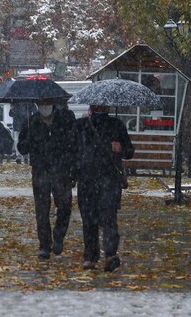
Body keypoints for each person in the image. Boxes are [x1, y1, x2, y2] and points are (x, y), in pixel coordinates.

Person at [73, 105, 134, 272]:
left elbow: (129, 151)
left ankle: (109, 255)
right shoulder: (81, 126)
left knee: (108, 218)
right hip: (87, 180)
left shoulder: (116, 125)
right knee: (90, 220)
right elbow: (72, 151)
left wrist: (120, 148)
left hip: (109, 180)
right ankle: (91, 256)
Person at [17, 99, 77, 260]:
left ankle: (58, 236)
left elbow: (74, 143)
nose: (44, 105)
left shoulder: (66, 118)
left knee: (64, 206)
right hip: (41, 170)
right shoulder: (31, 121)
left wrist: (71, 165)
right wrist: (29, 139)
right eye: (41, 103)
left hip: (61, 170)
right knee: (42, 211)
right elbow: (22, 148)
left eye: (47, 102)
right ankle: (44, 245)